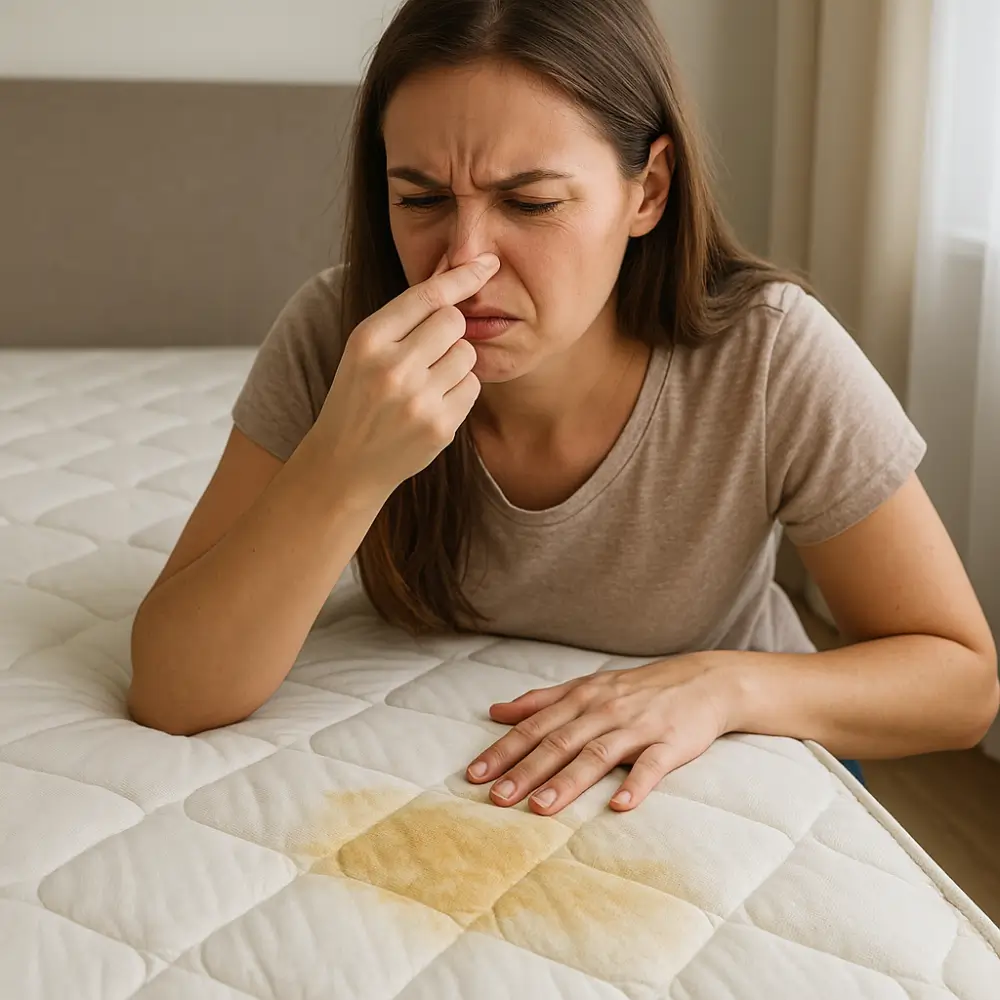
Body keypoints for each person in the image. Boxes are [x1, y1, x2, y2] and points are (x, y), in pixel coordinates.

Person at [128, 0, 999, 815]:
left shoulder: (770, 354)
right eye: (421, 199)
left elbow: (961, 685)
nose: (464, 260)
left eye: (531, 203)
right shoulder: (337, 336)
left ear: (647, 191)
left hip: (725, 761)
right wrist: (343, 470)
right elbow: (174, 692)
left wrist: (722, 683)